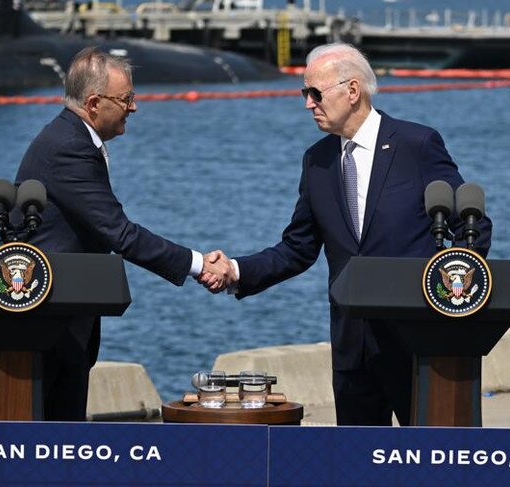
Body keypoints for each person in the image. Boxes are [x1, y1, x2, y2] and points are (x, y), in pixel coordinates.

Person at [201, 42, 492, 426]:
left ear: (352, 91)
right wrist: (236, 270)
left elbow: (472, 228)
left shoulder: (416, 145)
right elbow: (297, 248)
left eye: (315, 93)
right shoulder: (317, 161)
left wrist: (449, 299)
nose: (308, 103)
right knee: (357, 466)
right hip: (353, 349)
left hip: (419, 346)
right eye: (305, 93)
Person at [15, 47, 231, 421]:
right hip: (49, 323)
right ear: (95, 103)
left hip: (63, 317)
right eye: (127, 98)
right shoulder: (69, 147)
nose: (134, 107)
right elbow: (120, 233)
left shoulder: (71, 138)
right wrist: (198, 264)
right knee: (50, 437)